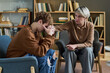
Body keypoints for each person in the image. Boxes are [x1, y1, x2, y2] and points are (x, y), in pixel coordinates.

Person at [55, 6, 94, 73]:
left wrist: (76, 45)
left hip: (85, 49)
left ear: (86, 18)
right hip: (73, 49)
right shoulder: (71, 23)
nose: (76, 18)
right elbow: (59, 27)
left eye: (79, 16)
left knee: (88, 50)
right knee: (69, 50)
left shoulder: (90, 25)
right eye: (75, 15)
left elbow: (89, 43)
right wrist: (50, 28)